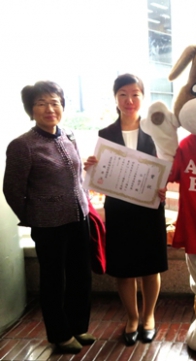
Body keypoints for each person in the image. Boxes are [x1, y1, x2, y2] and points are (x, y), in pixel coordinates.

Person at [3, 81, 95, 354]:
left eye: (55, 102)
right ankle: (59, 333)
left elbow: (76, 176)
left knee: (81, 275)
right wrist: (33, 216)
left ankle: (78, 326)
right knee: (54, 280)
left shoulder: (69, 135)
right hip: (48, 225)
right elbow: (12, 189)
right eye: (41, 103)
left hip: (79, 216)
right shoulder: (23, 145)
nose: (49, 109)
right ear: (31, 110)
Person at [84, 74, 168, 346]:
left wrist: (165, 184)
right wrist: (93, 167)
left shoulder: (157, 132)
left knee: (150, 265)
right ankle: (132, 318)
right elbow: (100, 174)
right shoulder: (104, 135)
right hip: (119, 209)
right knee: (123, 268)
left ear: (143, 98)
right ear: (115, 98)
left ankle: (148, 317)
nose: (129, 100)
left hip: (149, 207)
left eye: (135, 94)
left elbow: (169, 166)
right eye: (123, 94)